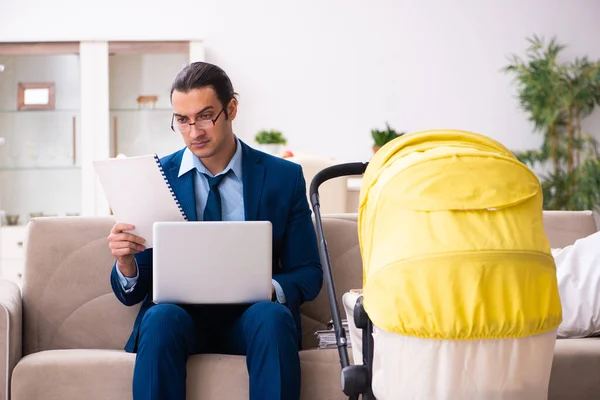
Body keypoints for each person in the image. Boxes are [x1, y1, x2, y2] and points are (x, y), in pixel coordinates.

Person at [106, 61, 323, 400]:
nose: (194, 131)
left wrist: (268, 288)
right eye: (182, 120)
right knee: (160, 318)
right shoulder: (155, 176)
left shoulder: (283, 178)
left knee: (271, 315)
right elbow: (132, 292)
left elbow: (308, 273)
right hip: (180, 320)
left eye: (205, 116)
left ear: (231, 109)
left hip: (252, 319)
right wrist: (126, 265)